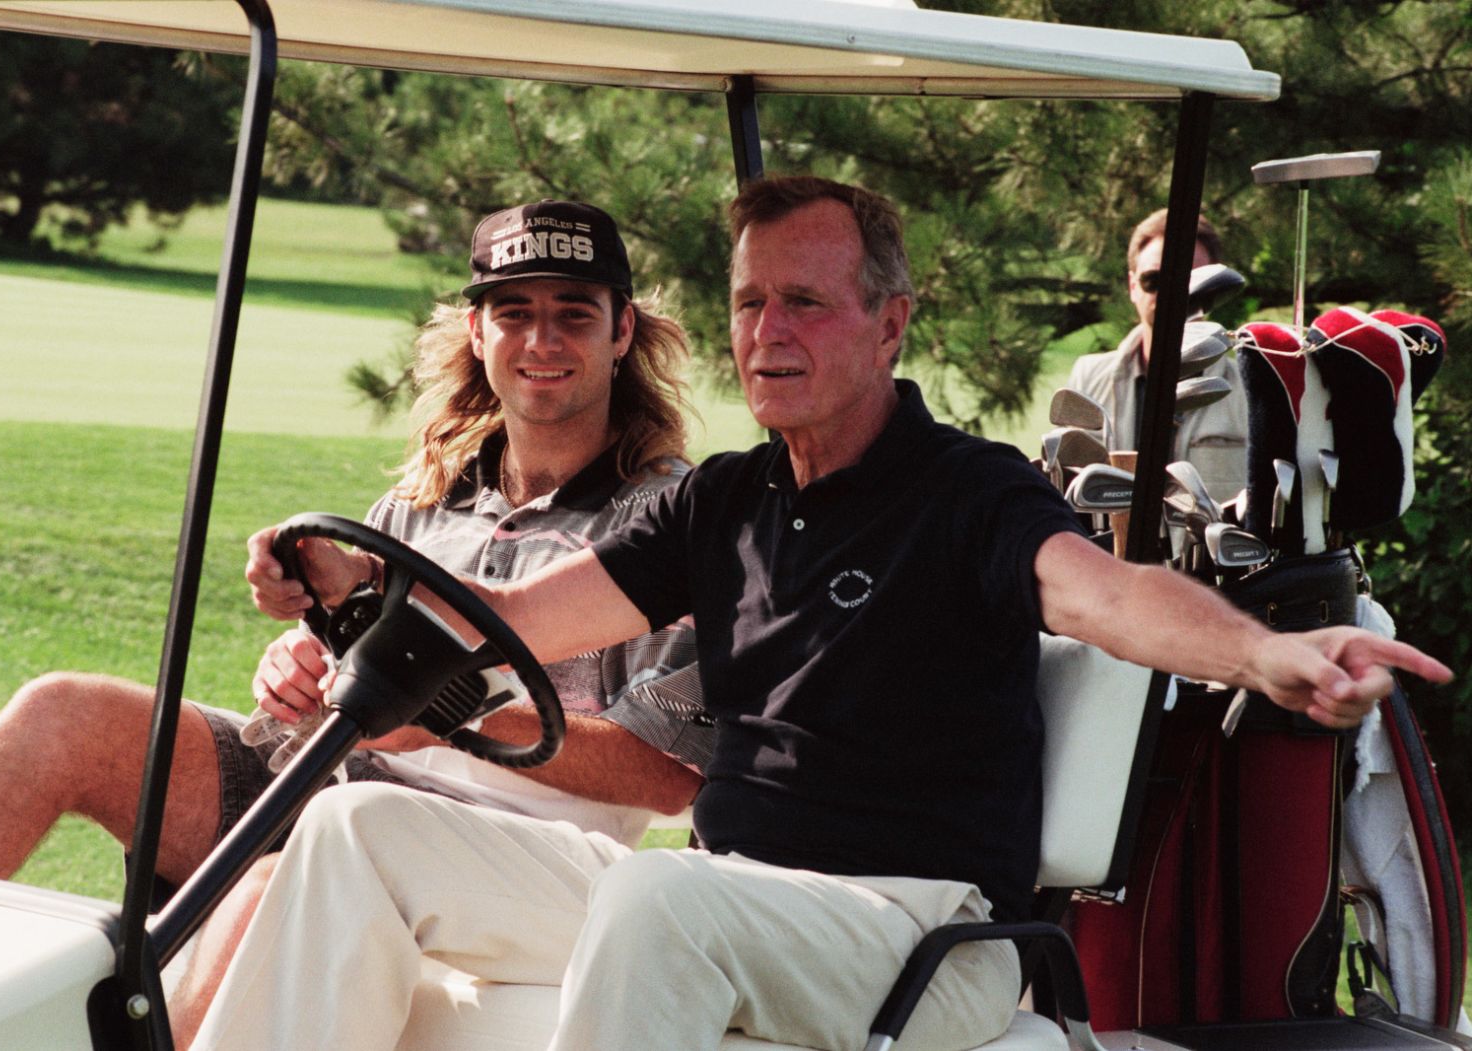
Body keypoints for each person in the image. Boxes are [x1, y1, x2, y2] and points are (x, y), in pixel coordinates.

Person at [188, 177, 1451, 1051]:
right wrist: (356, 593)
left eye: (805, 301)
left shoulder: (967, 493)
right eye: (748, 302)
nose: (767, 332)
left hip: (919, 929)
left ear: (889, 322)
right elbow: (511, 615)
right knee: (360, 826)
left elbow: (1108, 595)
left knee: (659, 899)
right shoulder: (723, 501)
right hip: (741, 899)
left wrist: (1268, 651)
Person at [0, 199, 712, 1029]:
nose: (542, 341)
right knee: (63, 713)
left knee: (271, 880)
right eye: (514, 313)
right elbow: (352, 653)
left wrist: (447, 715)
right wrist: (299, 656)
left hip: (505, 852)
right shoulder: (425, 498)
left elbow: (668, 772)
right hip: (333, 778)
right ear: (476, 331)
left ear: (621, 333)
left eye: (574, 315)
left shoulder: (666, 526)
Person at [1067, 208, 1248, 502]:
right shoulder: (1087, 378)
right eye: (1155, 280)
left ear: (1214, 290)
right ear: (1132, 286)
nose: (1173, 295)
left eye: (1189, 282)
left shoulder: (1249, 389)